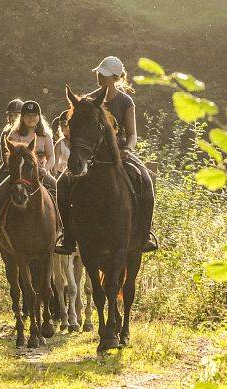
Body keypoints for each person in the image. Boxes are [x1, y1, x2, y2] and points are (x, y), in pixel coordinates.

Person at [55, 56, 158, 254]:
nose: (99, 76)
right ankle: (68, 237)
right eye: (99, 73)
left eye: (104, 74)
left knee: (146, 179)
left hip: (120, 152)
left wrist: (128, 149)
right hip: (93, 155)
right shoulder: (89, 100)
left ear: (114, 77)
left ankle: (144, 234)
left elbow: (133, 133)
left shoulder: (125, 101)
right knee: (62, 183)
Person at [0, 100, 56, 248]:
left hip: (40, 173)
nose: (31, 118)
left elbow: (51, 157)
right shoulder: (15, 134)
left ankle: (63, 230)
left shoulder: (45, 136)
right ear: (22, 118)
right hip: (18, 174)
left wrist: (46, 169)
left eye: (34, 115)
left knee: (59, 189)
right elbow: (8, 156)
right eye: (28, 115)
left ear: (39, 117)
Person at [0, 99, 24, 199]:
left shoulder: (30, 130)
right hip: (11, 169)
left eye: (16, 115)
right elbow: (5, 157)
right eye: (11, 115)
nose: (13, 118)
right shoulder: (5, 133)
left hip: (28, 167)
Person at [53, 110, 70, 177]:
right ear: (61, 128)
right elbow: (55, 165)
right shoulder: (59, 144)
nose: (68, 128)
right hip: (65, 176)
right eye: (65, 126)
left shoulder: (82, 142)